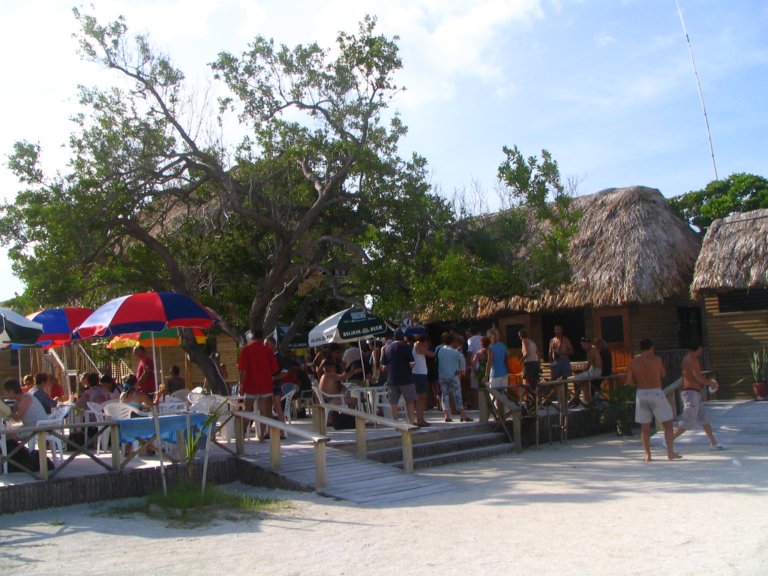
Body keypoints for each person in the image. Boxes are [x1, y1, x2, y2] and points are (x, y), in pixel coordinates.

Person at [625, 338, 681, 461]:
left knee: (644, 427)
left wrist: (638, 383)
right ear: (651, 348)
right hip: (655, 392)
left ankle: (647, 454)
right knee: (668, 424)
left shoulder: (633, 362)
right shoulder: (657, 360)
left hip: (641, 393)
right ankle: (670, 453)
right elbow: (663, 374)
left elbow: (628, 381)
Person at [673, 340, 725, 450]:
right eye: (701, 349)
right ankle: (669, 439)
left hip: (694, 393)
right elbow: (697, 377)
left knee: (704, 418)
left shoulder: (689, 359)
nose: (701, 351)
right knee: (688, 420)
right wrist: (710, 383)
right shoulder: (691, 360)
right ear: (697, 349)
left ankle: (713, 443)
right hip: (690, 393)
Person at [238, 329, 280, 441]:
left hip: (250, 384)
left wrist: (241, 384)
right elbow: (275, 369)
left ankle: (241, 436)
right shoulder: (267, 350)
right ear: (262, 338)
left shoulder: (246, 350)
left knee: (247, 410)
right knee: (264, 411)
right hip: (265, 384)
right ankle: (261, 436)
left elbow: (243, 369)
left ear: (252, 338)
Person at [380, 330, 417, 424]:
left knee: (393, 402)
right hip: (406, 379)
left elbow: (383, 367)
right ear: (403, 338)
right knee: (410, 401)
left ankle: (396, 423)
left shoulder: (387, 348)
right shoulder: (406, 347)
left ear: (394, 338)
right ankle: (411, 423)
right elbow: (412, 364)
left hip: (391, 379)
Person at [436, 333, 472, 423]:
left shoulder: (439, 350)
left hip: (442, 375)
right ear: (452, 342)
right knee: (457, 394)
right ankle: (462, 414)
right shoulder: (455, 352)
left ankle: (446, 415)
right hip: (453, 375)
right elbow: (462, 361)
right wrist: (460, 370)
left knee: (444, 395)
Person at [571, 337, 603, 406]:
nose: (583, 346)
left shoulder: (591, 351)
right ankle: (584, 399)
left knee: (575, 379)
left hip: (595, 372)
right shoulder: (592, 350)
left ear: (589, 344)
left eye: (584, 344)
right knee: (582, 381)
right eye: (582, 344)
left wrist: (581, 372)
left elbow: (588, 366)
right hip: (595, 371)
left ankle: (577, 399)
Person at [412, 335, 434, 427]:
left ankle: (421, 419)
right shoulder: (417, 345)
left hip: (421, 374)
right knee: (420, 397)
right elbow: (430, 354)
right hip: (418, 374)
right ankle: (419, 420)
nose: (427, 345)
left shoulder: (418, 345)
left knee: (422, 397)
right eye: (426, 343)